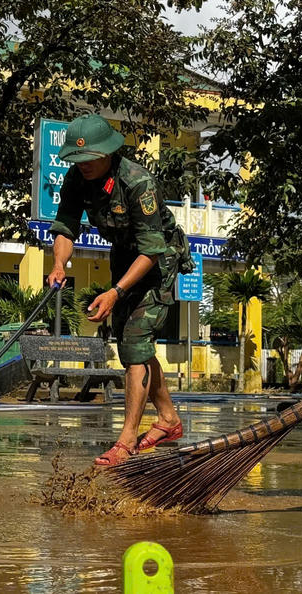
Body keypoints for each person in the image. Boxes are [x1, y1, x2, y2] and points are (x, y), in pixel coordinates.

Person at [46, 114, 194, 466]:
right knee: (133, 347)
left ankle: (126, 439)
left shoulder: (138, 183)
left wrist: (114, 292)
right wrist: (58, 264)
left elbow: (152, 249)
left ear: (108, 153)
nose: (81, 166)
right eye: (76, 160)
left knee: (135, 344)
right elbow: (66, 228)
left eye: (88, 159)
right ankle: (169, 419)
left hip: (157, 259)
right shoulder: (77, 179)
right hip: (124, 256)